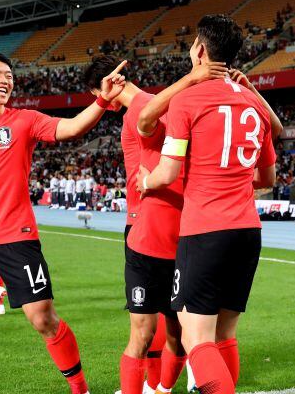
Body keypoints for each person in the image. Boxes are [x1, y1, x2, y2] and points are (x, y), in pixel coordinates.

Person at [0, 52, 126, 394]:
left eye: (9, 75)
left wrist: (101, 100)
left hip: (16, 237)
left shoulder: (24, 121)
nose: (5, 80)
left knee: (43, 319)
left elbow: (70, 128)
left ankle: (80, 389)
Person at [138, 15, 277, 394]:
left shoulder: (187, 100)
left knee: (195, 336)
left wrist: (144, 181)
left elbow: (166, 173)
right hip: (248, 231)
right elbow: (267, 179)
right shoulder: (254, 105)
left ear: (199, 50)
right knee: (225, 333)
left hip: (205, 231)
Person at [84, 54, 227, 394]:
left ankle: (155, 388)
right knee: (176, 330)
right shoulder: (164, 105)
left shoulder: (142, 108)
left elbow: (147, 122)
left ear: (112, 81)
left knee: (146, 332)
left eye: (98, 94)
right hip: (176, 227)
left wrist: (193, 77)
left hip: (150, 229)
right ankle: (159, 388)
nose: (100, 101)